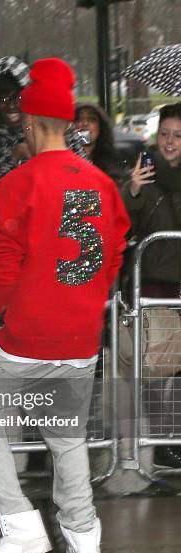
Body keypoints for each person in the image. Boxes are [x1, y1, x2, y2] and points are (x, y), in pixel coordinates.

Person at [0, 57, 130, 553]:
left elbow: (4, 275)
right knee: (66, 434)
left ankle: (20, 527)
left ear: (29, 122)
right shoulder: (102, 182)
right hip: (80, 337)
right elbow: (114, 259)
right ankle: (84, 538)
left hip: (28, 335)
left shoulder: (18, 184)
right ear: (70, 123)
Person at [122, 102, 181, 470]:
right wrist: (131, 191)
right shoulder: (143, 178)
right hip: (156, 286)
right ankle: (162, 441)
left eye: (178, 136)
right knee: (158, 368)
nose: (170, 142)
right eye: (164, 134)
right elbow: (122, 227)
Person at [0, 55, 87, 214]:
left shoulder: (63, 133)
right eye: (2, 99)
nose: (11, 105)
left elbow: (84, 200)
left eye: (17, 97)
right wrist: (13, 157)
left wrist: (46, 160)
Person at [75, 102, 126, 185]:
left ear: (101, 127)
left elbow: (114, 193)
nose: (85, 123)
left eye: (91, 119)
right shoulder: (62, 161)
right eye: (79, 119)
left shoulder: (112, 162)